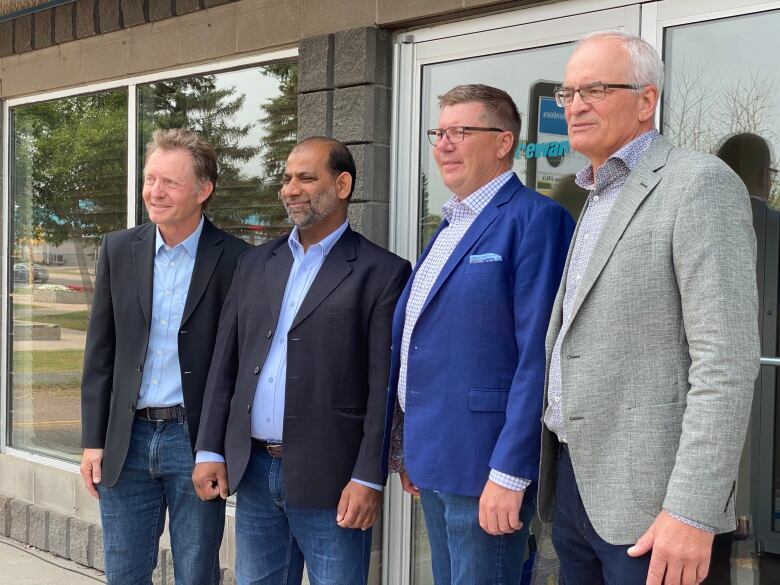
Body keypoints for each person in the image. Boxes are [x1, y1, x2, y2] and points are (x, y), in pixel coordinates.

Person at [537, 31, 759, 585]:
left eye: (595, 89)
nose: (576, 105)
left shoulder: (698, 185)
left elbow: (725, 363)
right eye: (567, 94)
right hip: (574, 485)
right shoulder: (591, 192)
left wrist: (691, 510)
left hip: (654, 506)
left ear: (645, 99)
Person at [192, 136, 411, 585]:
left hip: (333, 481)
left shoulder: (382, 272)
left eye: (306, 178)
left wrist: (368, 477)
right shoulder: (255, 263)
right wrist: (211, 448)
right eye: (287, 178)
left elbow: (381, 389)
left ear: (343, 183)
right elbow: (225, 365)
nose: (291, 188)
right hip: (252, 472)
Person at [383, 84, 574, 585]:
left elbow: (539, 355)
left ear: (503, 141)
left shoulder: (536, 219)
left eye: (460, 131)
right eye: (439, 132)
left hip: (486, 465)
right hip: (436, 457)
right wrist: (407, 446)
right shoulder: (447, 226)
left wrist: (511, 471)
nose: (443, 144)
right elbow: (420, 344)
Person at [79, 128, 251, 584]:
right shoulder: (118, 249)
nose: (155, 192)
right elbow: (101, 353)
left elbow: (237, 363)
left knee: (196, 572)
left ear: (203, 190)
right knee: (124, 571)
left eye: (170, 183)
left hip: (193, 441)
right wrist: (93, 440)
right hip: (126, 439)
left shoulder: (237, 259)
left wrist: (220, 444)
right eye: (150, 178)